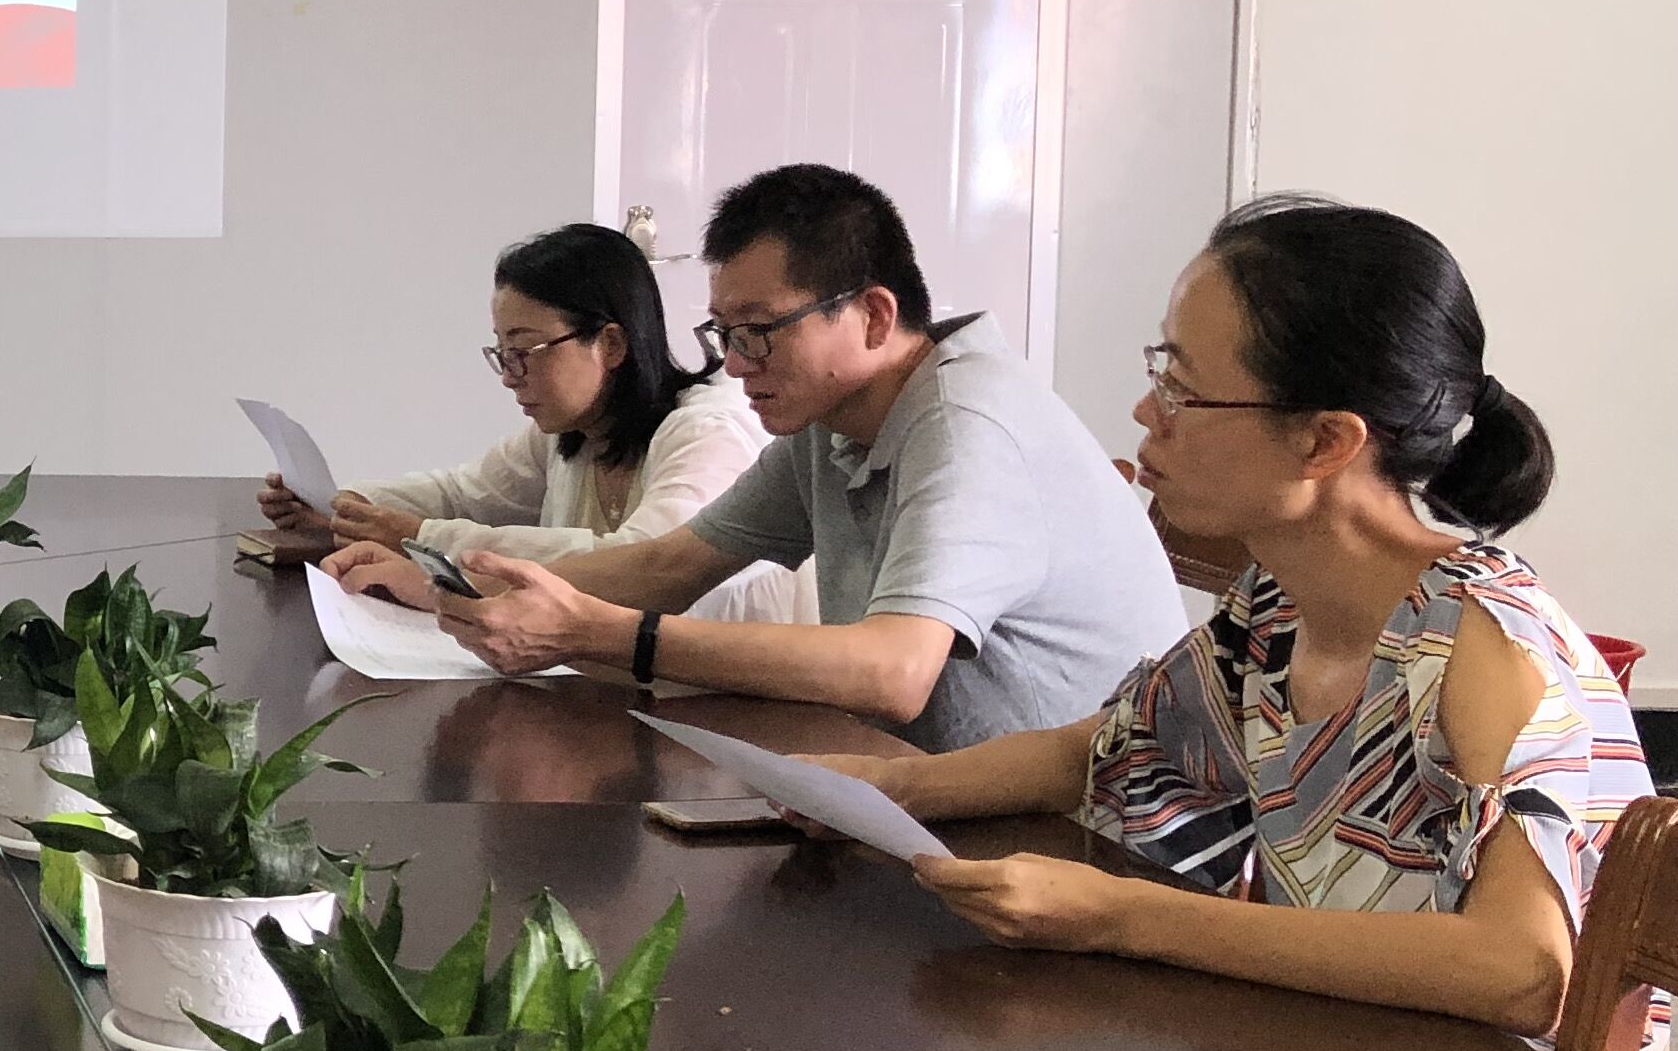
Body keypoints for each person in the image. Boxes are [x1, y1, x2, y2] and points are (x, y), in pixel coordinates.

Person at [818, 198, 1653, 1051]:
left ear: (1325, 442)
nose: (1147, 412)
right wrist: (887, 789)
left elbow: (1522, 970)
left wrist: (1124, 916)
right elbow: (1101, 751)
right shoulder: (1278, 611)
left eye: (1182, 389)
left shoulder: (1481, 639)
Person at [353, 163, 1183, 747]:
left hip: (1075, 837)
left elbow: (893, 671)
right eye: (723, 332)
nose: (736, 363)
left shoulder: (967, 425)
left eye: (758, 332)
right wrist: (479, 593)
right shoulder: (830, 421)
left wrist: (610, 635)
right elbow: (670, 565)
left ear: (873, 315)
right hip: (926, 788)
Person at [279, 220, 809, 626]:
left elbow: (637, 567)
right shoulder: (569, 432)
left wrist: (423, 542)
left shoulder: (707, 433)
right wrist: (344, 505)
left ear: (611, 344)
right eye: (502, 353)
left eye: (525, 351)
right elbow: (462, 493)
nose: (511, 376)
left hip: (726, 706)